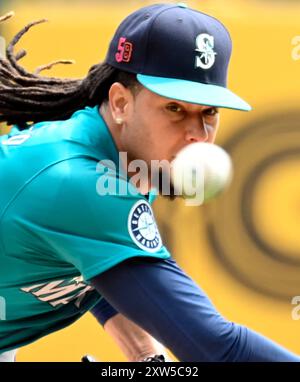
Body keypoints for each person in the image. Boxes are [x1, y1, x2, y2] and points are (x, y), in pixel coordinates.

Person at [0, 3, 299, 362]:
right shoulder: (82, 181)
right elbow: (215, 348)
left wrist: (146, 358)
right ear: (121, 102)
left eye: (209, 112)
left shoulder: (127, 154)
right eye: (175, 108)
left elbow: (103, 269)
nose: (197, 136)